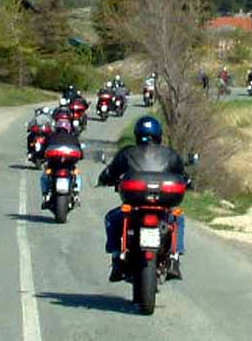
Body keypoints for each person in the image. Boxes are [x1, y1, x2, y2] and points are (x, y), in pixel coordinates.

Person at [97, 116, 188, 282]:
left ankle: (117, 257)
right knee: (178, 218)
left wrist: (104, 179)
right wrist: (188, 182)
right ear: (159, 134)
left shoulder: (127, 152)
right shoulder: (169, 154)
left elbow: (111, 172)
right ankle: (174, 258)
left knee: (112, 218)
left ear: (137, 134)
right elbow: (183, 175)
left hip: (135, 206)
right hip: (161, 207)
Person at [40, 128, 83, 208]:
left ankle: (45, 195)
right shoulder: (73, 138)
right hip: (67, 165)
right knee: (77, 175)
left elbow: (43, 151)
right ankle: (76, 195)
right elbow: (81, 154)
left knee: (45, 176)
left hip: (54, 164)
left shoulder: (51, 137)